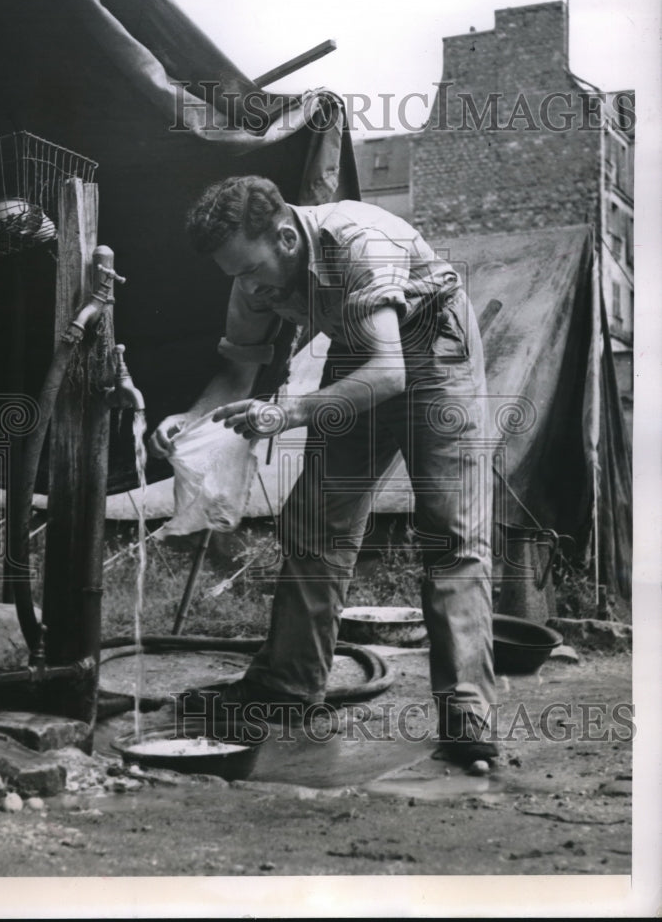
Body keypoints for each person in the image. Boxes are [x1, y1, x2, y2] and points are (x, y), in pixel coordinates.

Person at [149, 175, 497, 768]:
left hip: (436, 348)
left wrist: (288, 411)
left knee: (450, 536)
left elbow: (391, 374)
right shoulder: (251, 274)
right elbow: (238, 373)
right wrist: (192, 419)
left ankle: (468, 716)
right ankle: (288, 688)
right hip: (362, 349)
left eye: (250, 271)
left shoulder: (360, 241)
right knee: (316, 524)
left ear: (286, 237)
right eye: (233, 274)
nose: (247, 288)